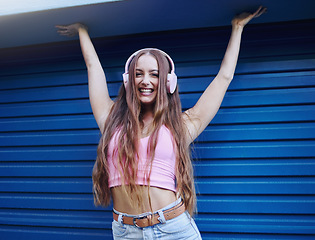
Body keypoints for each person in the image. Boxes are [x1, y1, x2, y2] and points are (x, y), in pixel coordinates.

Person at [56, 6, 266, 239]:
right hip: (126, 232)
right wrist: (82, 31)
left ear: (168, 82)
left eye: (154, 74)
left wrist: (237, 28)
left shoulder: (181, 126)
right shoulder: (111, 121)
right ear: (128, 81)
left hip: (172, 228)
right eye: (139, 73)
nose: (146, 81)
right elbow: (93, 68)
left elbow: (224, 78)